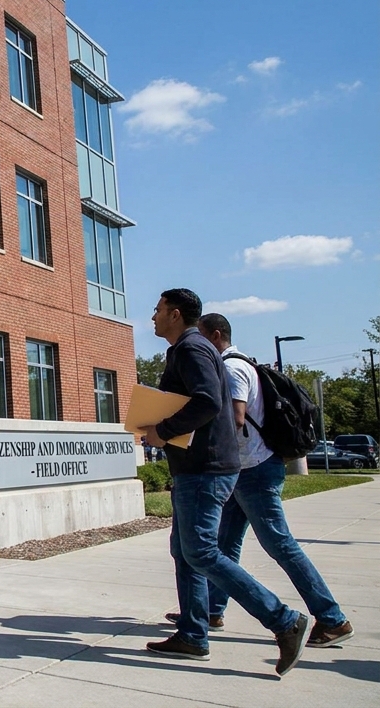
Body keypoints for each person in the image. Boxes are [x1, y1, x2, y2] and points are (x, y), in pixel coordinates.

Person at [140, 289, 307, 674]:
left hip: (205, 468)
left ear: (175, 314)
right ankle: (193, 635)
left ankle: (284, 620)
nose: (153, 317)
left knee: (201, 552)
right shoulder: (187, 347)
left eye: (158, 310)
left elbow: (208, 402)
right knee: (185, 552)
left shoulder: (193, 348)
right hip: (194, 467)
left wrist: (163, 430)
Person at [169, 313, 350, 647]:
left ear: (217, 335)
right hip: (243, 470)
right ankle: (211, 609)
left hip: (254, 470)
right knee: (223, 545)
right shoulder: (236, 364)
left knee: (280, 545)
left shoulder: (232, 368)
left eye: (203, 336)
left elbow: (234, 419)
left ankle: (331, 618)